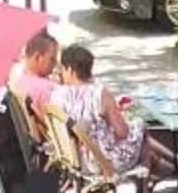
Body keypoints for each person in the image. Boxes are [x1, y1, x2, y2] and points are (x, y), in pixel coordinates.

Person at [51, 43, 146, 179]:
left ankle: (160, 170)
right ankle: (145, 190)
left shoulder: (56, 95)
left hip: (72, 159)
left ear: (70, 70)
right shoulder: (99, 93)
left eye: (63, 69)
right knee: (140, 126)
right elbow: (122, 132)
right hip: (102, 161)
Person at [6, 32, 59, 112]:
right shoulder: (48, 88)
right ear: (37, 57)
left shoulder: (16, 78)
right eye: (52, 59)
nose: (55, 64)